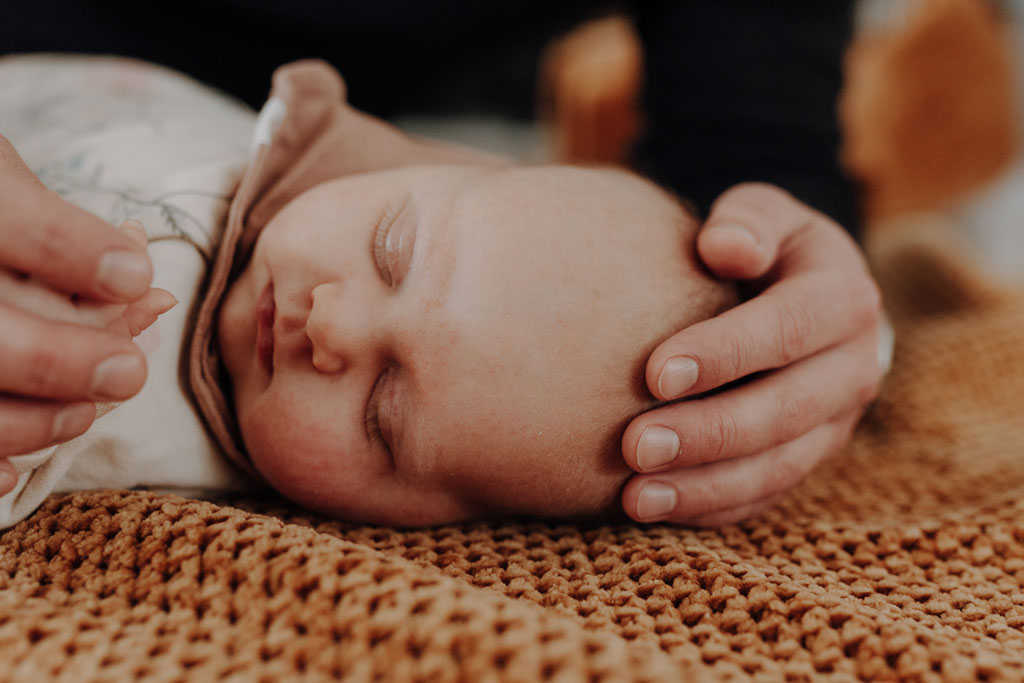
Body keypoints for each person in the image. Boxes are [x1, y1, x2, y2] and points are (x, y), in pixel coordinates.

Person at [0, 1, 885, 526]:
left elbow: (754, 141)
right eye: (391, 248)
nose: (330, 322)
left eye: (383, 414)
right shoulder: (309, 147)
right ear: (418, 161)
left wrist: (800, 289)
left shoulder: (111, 409)